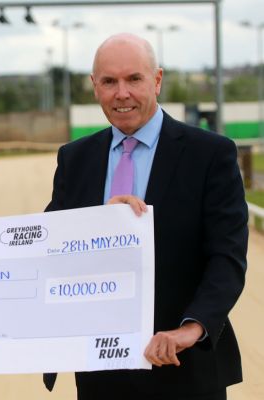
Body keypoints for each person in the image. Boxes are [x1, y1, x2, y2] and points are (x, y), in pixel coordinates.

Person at [44, 33, 248, 400]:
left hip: (184, 365)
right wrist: (94, 225)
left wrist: (193, 328)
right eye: (109, 81)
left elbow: (227, 258)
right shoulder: (75, 159)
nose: (122, 93)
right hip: (101, 370)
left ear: (156, 80)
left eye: (134, 79)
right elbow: (49, 248)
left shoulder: (210, 155)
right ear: (95, 87)